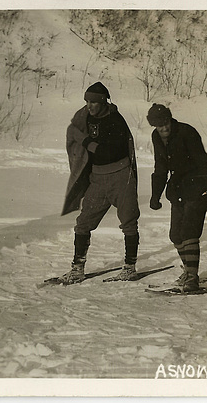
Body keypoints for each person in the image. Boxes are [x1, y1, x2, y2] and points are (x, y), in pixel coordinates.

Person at [61, 82, 140, 283]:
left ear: (104, 101)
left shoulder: (116, 120)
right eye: (87, 101)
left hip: (121, 177)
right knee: (83, 223)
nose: (90, 106)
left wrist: (85, 141)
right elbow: (74, 131)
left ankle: (130, 267)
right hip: (97, 178)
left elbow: (108, 151)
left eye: (94, 102)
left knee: (129, 222)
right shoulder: (85, 117)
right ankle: (77, 268)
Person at [148, 103, 207, 292]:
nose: (164, 128)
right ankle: (188, 271)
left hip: (196, 185)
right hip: (177, 189)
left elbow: (204, 161)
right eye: (159, 125)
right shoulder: (156, 137)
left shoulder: (187, 132)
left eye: (166, 122)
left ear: (170, 119)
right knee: (175, 235)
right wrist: (156, 195)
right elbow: (160, 167)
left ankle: (192, 278)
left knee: (189, 232)